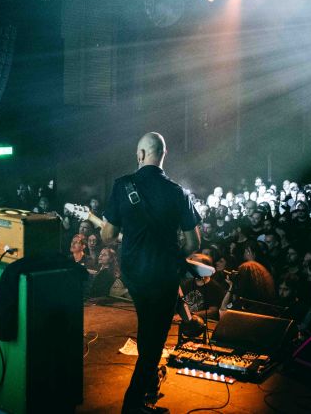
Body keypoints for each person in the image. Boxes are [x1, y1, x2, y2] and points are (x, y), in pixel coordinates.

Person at [100, 132, 200, 414]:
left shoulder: (123, 185)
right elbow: (194, 243)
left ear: (141, 155)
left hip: (134, 275)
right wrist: (172, 258)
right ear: (163, 155)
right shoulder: (178, 192)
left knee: (149, 332)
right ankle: (132, 405)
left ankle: (146, 391)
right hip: (164, 276)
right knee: (154, 339)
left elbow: (108, 235)